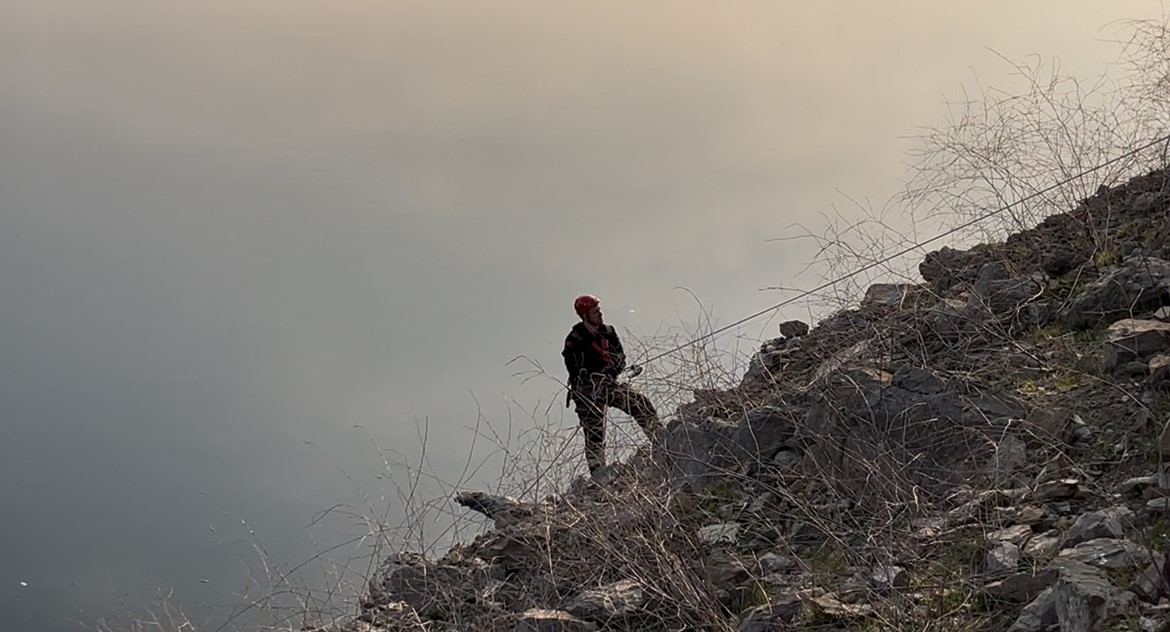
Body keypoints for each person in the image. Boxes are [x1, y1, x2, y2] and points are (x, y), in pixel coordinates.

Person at [562, 294, 663, 477]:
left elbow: (620, 358)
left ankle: (661, 441)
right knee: (594, 430)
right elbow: (573, 369)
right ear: (585, 316)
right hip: (586, 391)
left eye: (599, 310)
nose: (600, 314)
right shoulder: (574, 340)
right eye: (595, 312)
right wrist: (591, 378)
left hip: (608, 384)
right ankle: (598, 472)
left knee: (638, 402)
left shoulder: (608, 332)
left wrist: (611, 371)